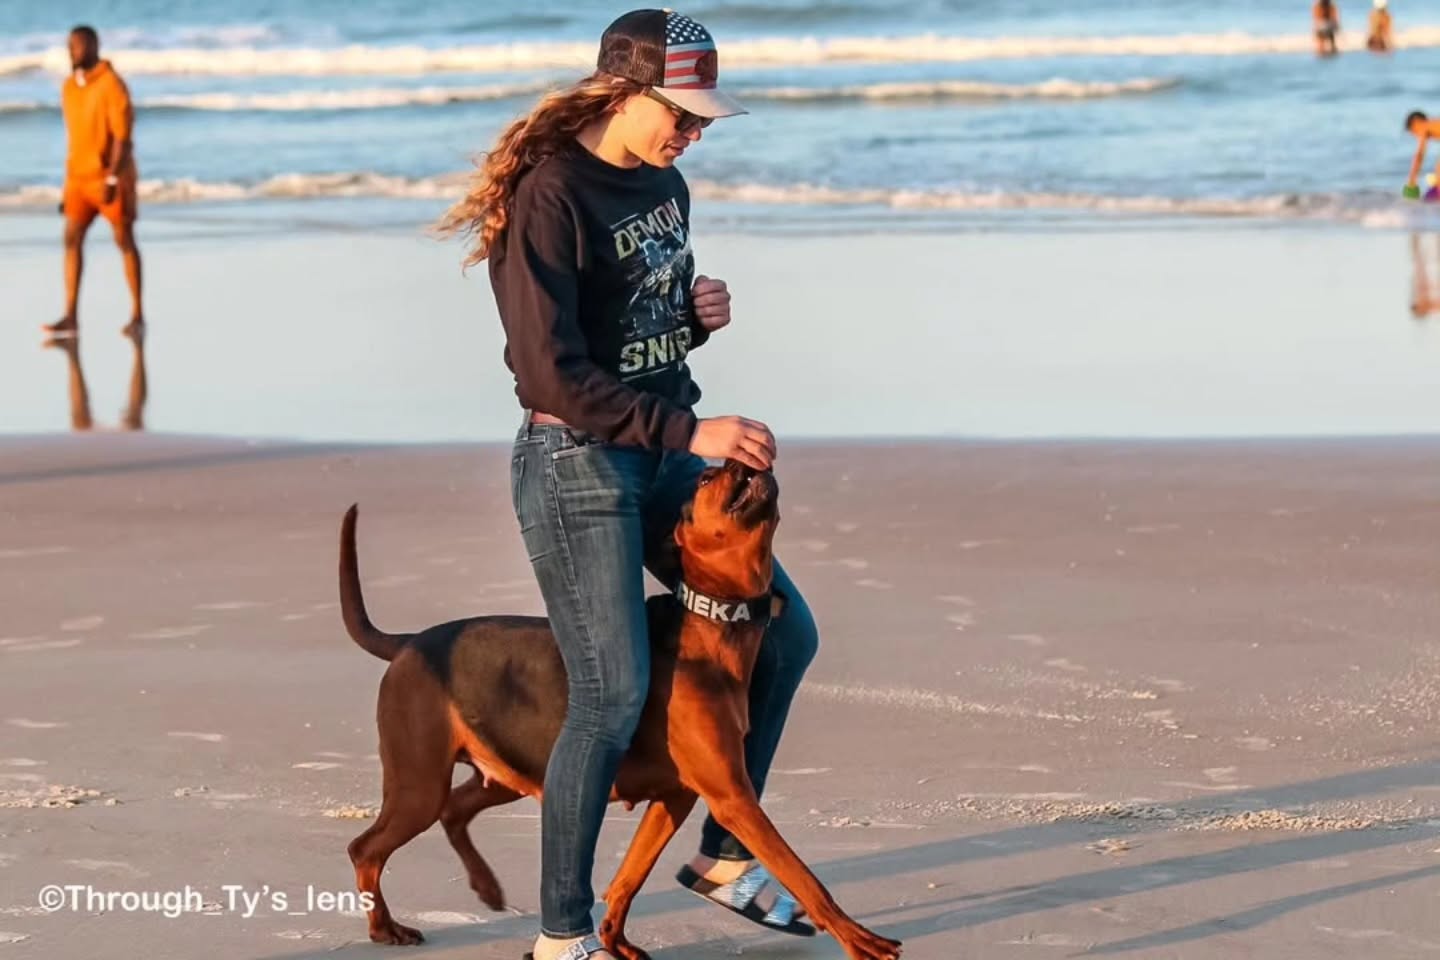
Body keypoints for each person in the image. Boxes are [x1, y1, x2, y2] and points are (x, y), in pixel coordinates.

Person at [437, 9, 820, 960]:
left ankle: (727, 853)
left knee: (783, 632)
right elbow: (549, 372)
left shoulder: (667, 186)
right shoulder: (549, 196)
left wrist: (690, 321)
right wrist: (695, 426)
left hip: (658, 452)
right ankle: (562, 936)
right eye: (679, 115)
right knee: (611, 695)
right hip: (578, 466)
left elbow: (626, 334)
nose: (692, 134)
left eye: (700, 121)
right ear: (622, 90)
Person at [44, 25, 144, 340]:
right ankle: (71, 315)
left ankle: (137, 314)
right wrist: (67, 185)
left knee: (124, 240)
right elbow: (76, 140)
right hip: (79, 180)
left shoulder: (113, 85)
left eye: (78, 46)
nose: (72, 51)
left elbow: (123, 138)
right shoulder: (69, 89)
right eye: (70, 46)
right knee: (71, 239)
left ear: (94, 46)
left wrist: (113, 177)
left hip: (111, 177)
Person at [1403, 111, 1440, 196]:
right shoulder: (1434, 123)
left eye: (1413, 131)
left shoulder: (1423, 126)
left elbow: (1420, 154)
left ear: (1415, 123)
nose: (1415, 135)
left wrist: (1412, 181)